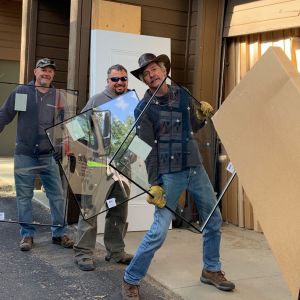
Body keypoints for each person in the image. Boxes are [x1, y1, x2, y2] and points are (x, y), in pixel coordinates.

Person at [121, 53, 235, 299]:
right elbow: (145, 149)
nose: (151, 75)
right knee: (159, 231)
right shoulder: (143, 109)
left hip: (195, 167)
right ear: (144, 80)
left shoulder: (182, 94)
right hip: (169, 175)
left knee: (213, 218)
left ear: (163, 69)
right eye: (146, 74)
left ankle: (211, 269)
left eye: (154, 69)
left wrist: (201, 118)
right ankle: (131, 278)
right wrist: (155, 184)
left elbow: (190, 127)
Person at [0, 58, 74, 251]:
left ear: (53, 75)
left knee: (57, 196)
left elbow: (66, 126)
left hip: (48, 155)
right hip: (25, 153)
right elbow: (4, 115)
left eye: (50, 71)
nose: (46, 74)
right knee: (24, 196)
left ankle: (59, 233)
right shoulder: (22, 92)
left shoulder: (59, 97)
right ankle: (27, 235)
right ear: (35, 72)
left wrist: (64, 148)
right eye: (43, 70)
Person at [73, 64, 133, 271]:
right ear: (108, 81)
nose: (120, 83)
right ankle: (83, 253)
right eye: (115, 79)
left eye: (123, 79)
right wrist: (89, 151)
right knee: (90, 209)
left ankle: (116, 252)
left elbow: (139, 131)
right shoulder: (96, 100)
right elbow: (76, 128)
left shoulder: (132, 102)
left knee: (118, 209)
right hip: (98, 164)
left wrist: (136, 154)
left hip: (123, 165)